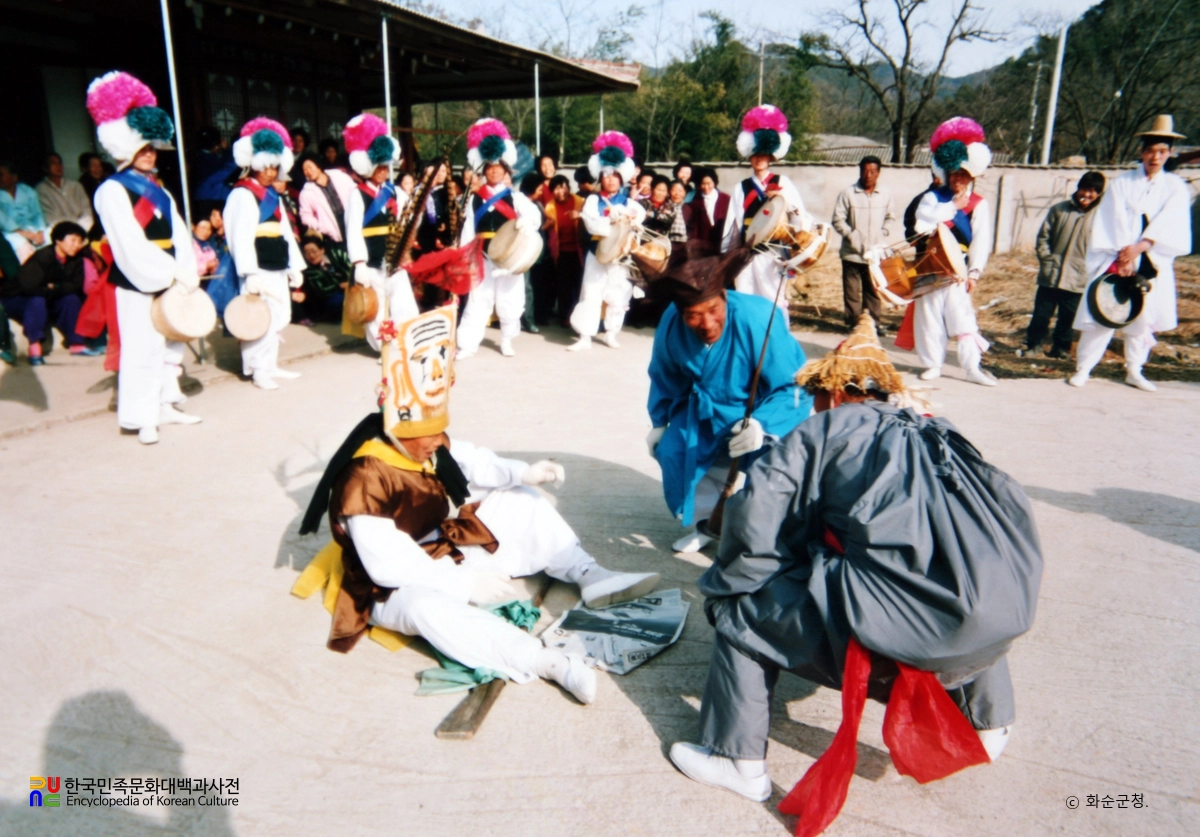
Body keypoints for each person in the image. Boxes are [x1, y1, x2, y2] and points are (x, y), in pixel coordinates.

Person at [668, 315, 1042, 822]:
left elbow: (754, 524)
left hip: (905, 635)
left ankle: (737, 759)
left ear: (834, 392)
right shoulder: (938, 426)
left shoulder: (825, 428)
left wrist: (726, 582)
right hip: (996, 620)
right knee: (965, 583)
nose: (814, 405)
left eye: (817, 396)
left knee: (740, 613)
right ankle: (988, 726)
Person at [296, 306, 659, 702]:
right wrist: (467, 583)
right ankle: (546, 662)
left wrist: (523, 473)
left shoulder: (426, 443)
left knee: (519, 500)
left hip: (441, 548)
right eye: (428, 436)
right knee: (424, 609)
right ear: (396, 431)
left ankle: (590, 574)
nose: (437, 441)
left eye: (439, 432)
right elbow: (390, 566)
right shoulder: (364, 476)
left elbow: (470, 459)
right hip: (388, 584)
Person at [646, 248, 811, 553]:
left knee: (777, 469)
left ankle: (766, 534)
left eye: (713, 310)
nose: (707, 324)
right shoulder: (671, 323)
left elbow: (796, 385)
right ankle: (708, 524)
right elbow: (665, 375)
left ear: (724, 296)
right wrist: (660, 421)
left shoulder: (757, 317)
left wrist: (763, 425)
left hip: (760, 407)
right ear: (681, 313)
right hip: (703, 407)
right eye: (694, 316)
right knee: (673, 450)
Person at [88, 71, 202, 445]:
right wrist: (170, 273)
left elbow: (180, 235)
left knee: (169, 344)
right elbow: (129, 246)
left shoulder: (159, 190)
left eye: (151, 146)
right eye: (142, 147)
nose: (149, 153)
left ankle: (166, 403)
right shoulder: (111, 190)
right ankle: (141, 416)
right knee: (141, 347)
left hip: (169, 277)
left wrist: (187, 269)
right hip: (138, 280)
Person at [1069, 116, 1193, 392]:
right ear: (1141, 152)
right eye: (1150, 151)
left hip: (1152, 258)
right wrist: (1123, 256)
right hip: (1116, 255)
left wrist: (1141, 247)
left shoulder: (1175, 187)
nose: (1155, 157)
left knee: (1143, 316)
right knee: (1104, 312)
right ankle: (1084, 368)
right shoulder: (1122, 183)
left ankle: (1134, 369)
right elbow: (1112, 219)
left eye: (1162, 151)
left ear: (1169, 153)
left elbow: (1170, 222)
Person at [911, 117, 996, 386]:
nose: (958, 178)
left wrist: (974, 272)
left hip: (958, 268)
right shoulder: (932, 198)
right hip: (931, 262)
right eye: (954, 173)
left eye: (963, 174)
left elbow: (981, 240)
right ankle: (932, 364)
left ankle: (972, 367)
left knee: (963, 320)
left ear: (971, 175)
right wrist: (951, 208)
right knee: (929, 317)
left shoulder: (978, 204)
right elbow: (922, 225)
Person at [224, 117, 305, 391]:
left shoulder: (273, 195)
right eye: (266, 166)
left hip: (276, 261)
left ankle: (270, 364)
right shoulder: (242, 194)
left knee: (279, 314)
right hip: (258, 266)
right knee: (259, 317)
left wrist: (294, 265)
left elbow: (284, 230)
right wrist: (249, 272)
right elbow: (240, 237)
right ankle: (258, 368)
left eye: (275, 166)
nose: (270, 172)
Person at [456, 118, 541, 359]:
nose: (494, 171)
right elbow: (468, 231)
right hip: (482, 254)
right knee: (477, 298)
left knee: (510, 298)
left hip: (509, 255)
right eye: (490, 167)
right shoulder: (474, 199)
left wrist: (527, 222)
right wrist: (464, 256)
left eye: (499, 167)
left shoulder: (515, 198)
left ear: (506, 170)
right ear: (483, 170)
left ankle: (506, 339)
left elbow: (534, 215)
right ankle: (468, 344)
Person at [342, 112, 416, 352]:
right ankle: (384, 349)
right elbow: (353, 230)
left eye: (386, 167)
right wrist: (359, 263)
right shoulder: (357, 194)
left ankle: (405, 345)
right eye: (379, 167)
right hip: (371, 259)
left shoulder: (395, 192)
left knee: (404, 304)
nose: (383, 172)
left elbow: (411, 218)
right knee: (376, 308)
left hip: (393, 258)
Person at [567, 131, 647, 351]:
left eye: (614, 176)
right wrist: (615, 220)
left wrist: (626, 217)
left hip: (619, 255)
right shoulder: (592, 199)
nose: (610, 179)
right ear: (600, 177)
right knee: (591, 291)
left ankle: (611, 332)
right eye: (606, 175)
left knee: (619, 292)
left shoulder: (628, 201)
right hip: (597, 252)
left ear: (621, 178)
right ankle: (585, 336)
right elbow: (592, 224)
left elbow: (639, 217)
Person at [728, 106, 811, 307]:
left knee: (773, 300)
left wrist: (782, 199)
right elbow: (734, 224)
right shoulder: (741, 188)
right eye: (755, 154)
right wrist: (730, 255)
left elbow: (799, 216)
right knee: (745, 299)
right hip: (747, 251)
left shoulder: (783, 182)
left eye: (764, 154)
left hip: (773, 252)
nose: (759, 159)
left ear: (771, 156)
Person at [1022, 171, 1105, 359]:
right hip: (1052, 274)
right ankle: (1033, 345)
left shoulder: (1101, 217)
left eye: (1093, 191)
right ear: (1078, 188)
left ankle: (1061, 348)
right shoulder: (1059, 210)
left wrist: (1092, 269)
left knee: (1068, 317)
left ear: (1099, 194)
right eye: (1085, 189)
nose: (1087, 195)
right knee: (1041, 315)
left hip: (1079, 277)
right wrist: (1047, 259)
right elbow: (1043, 237)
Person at [4, 222, 96, 363]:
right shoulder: (43, 256)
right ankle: (35, 348)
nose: (76, 245)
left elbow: (75, 286)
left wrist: (55, 287)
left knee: (71, 299)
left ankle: (76, 344)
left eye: (79, 241)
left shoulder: (76, 260)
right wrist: (53, 289)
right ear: (58, 240)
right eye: (73, 240)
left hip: (48, 297)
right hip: (19, 298)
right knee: (37, 300)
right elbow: (29, 286)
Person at [832, 155, 895, 332]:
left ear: (879, 173)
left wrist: (883, 234)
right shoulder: (848, 194)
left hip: (874, 254)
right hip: (851, 252)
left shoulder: (886, 195)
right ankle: (854, 324)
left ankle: (873, 324)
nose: (869, 175)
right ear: (860, 172)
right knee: (852, 291)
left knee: (873, 290)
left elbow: (891, 218)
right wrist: (852, 236)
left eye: (873, 171)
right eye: (865, 171)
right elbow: (838, 220)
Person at [543, 174, 585, 327]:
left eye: (563, 187)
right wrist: (547, 226)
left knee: (581, 285)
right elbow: (546, 229)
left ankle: (582, 317)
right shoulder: (550, 207)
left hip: (580, 250)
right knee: (564, 287)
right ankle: (565, 317)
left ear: (569, 187)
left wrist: (579, 216)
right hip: (562, 252)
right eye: (556, 189)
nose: (560, 192)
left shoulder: (580, 202)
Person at [298, 152, 356, 244]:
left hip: (350, 219)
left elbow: (355, 192)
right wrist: (320, 226)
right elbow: (305, 215)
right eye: (304, 170)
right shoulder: (306, 192)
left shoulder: (340, 176)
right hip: (331, 232)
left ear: (318, 165)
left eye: (310, 167)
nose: (308, 171)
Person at [0, 159, 51, 264]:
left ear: (14, 177)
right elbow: (4, 221)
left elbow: (37, 214)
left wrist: (40, 232)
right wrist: (27, 235)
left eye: (1, 175)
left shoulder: (27, 191)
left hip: (32, 228)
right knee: (25, 248)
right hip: (11, 233)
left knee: (50, 241)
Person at [296, 233, 349, 324]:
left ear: (322, 250)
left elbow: (351, 267)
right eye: (307, 253)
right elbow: (323, 290)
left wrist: (350, 282)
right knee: (339, 301)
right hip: (330, 299)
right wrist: (340, 285)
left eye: (314, 251)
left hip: (351, 286)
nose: (312, 255)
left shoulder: (336, 254)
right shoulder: (310, 271)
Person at [36, 152, 95, 231]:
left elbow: (87, 209)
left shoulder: (75, 185)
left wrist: (83, 227)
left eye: (60, 163)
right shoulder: (41, 189)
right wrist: (74, 226)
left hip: (85, 228)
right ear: (45, 168)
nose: (58, 166)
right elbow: (49, 217)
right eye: (54, 163)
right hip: (61, 231)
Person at [687, 167, 732, 259]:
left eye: (709, 183)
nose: (706, 187)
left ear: (714, 183)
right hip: (703, 244)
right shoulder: (696, 202)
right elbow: (694, 227)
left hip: (723, 241)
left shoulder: (726, 198)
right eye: (703, 184)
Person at [193, 126, 237, 203]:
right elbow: (227, 169)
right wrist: (226, 150)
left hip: (202, 197)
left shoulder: (198, 157)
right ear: (216, 146)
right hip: (212, 198)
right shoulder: (210, 160)